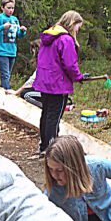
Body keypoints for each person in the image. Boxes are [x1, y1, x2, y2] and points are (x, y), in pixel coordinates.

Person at [33, 11, 84, 153]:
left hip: (44, 82)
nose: (77, 30)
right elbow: (70, 64)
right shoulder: (65, 39)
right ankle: (52, 149)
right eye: (78, 27)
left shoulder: (48, 37)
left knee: (46, 113)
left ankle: (44, 146)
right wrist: (78, 77)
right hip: (58, 85)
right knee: (54, 118)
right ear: (72, 23)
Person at [0, 0, 27, 90]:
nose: (11, 10)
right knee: (5, 74)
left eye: (12, 8)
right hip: (1, 50)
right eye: (8, 8)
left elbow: (19, 35)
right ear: (2, 7)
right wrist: (2, 27)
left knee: (8, 75)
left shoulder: (15, 19)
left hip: (12, 51)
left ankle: (3, 90)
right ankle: (7, 91)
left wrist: (22, 31)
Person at [5, 38, 42, 108]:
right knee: (27, 84)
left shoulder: (44, 62)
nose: (32, 52)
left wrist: (17, 92)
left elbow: (33, 79)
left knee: (25, 94)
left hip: (49, 91)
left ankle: (46, 107)